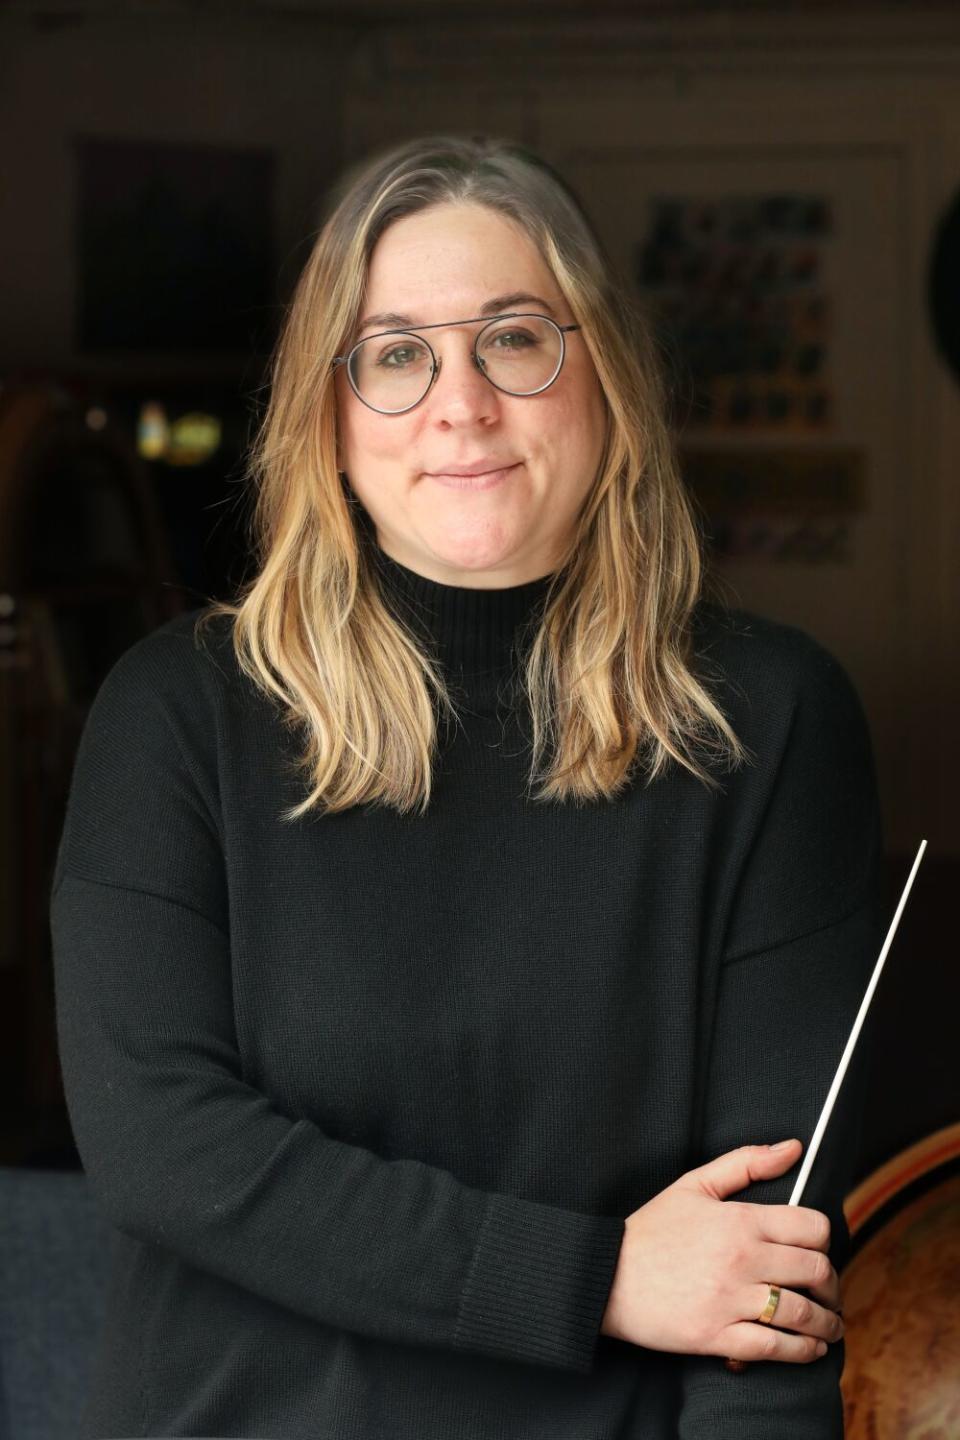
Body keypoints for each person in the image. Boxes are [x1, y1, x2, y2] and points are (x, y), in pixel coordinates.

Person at [50, 133, 884, 1439]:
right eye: (395, 355)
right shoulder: (178, 714)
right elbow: (168, 1151)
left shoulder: (768, 719)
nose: (461, 405)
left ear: (600, 369)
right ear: (325, 417)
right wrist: (593, 1278)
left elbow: (770, 1279)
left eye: (513, 337)